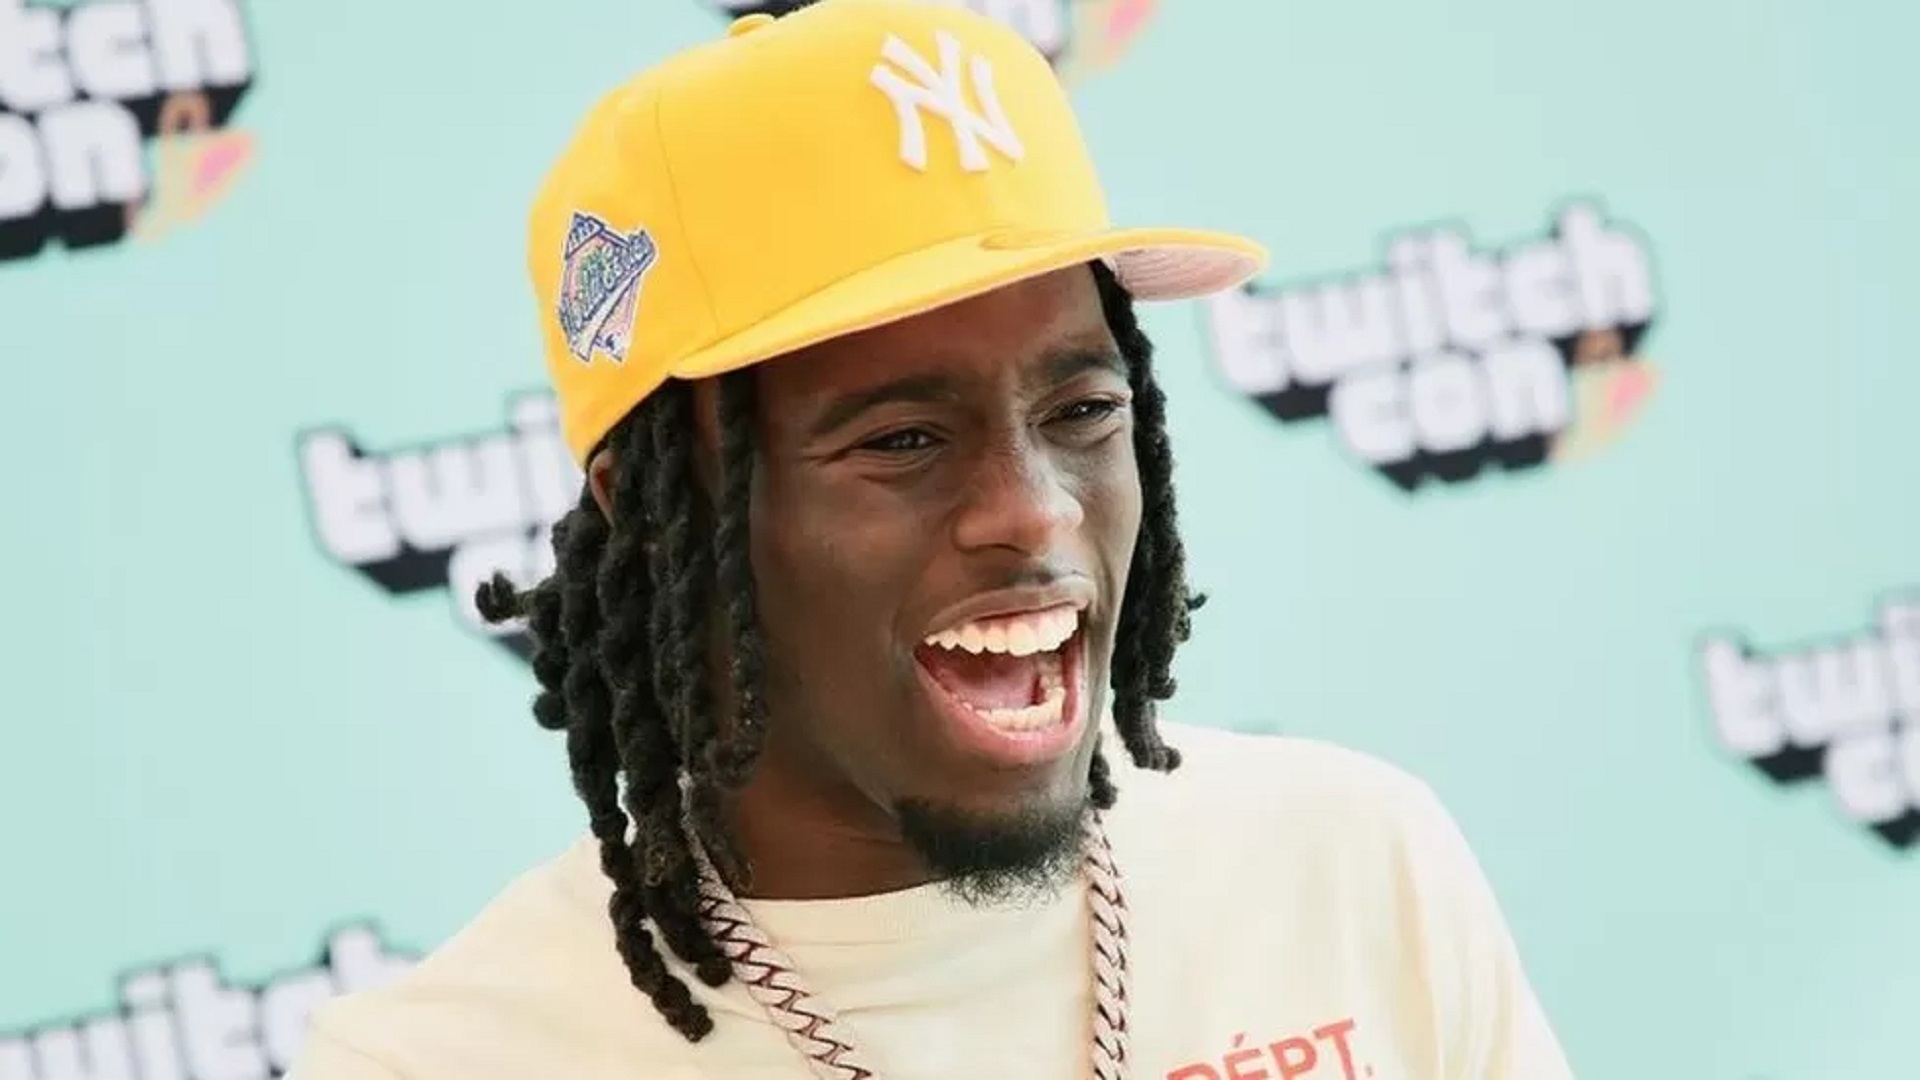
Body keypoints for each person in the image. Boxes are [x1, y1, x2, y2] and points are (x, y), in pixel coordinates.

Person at [290, 1, 1575, 1077]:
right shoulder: (442, 1061)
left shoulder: (1351, 865)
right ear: (652, 506)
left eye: (1082, 411)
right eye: (903, 439)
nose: (1034, 509)